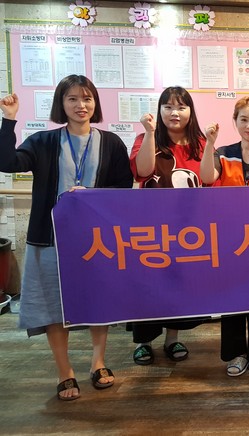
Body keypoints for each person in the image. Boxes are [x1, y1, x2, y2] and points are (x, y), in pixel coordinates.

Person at [0, 75, 133, 400]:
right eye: (72, 99)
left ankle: (98, 362)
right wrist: (9, 120)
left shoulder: (111, 143)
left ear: (95, 103)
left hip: (96, 240)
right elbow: (7, 162)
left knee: (98, 301)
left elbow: (123, 187)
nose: (80, 105)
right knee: (52, 305)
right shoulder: (43, 141)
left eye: (87, 99)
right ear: (61, 103)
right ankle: (65, 372)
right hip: (50, 239)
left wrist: (92, 195)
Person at [129, 86, 211, 366]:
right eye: (168, 106)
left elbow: (209, 180)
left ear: (190, 111)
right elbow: (142, 171)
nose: (175, 113)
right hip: (151, 228)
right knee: (147, 283)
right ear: (160, 110)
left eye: (181, 107)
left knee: (178, 284)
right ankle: (143, 342)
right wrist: (150, 133)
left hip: (188, 230)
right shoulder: (146, 138)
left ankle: (171, 338)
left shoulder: (200, 143)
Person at [199, 96, 249, 376]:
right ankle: (236, 352)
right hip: (229, 238)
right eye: (244, 119)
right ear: (235, 122)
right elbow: (207, 177)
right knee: (232, 296)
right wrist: (209, 143)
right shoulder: (223, 153)